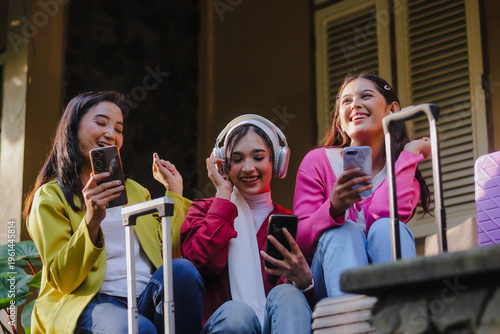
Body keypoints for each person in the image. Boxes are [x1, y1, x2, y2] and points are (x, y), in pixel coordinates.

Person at [23, 91, 204, 334]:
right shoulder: (51, 196)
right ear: (73, 129)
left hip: (145, 298)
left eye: (119, 129)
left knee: (182, 271)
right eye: (101, 123)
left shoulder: (136, 192)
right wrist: (91, 220)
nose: (111, 134)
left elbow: (170, 256)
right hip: (87, 303)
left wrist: (174, 193)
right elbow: (62, 280)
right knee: (138, 329)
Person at [293, 73, 431, 300]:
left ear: (392, 110)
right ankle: (350, 320)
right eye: (346, 101)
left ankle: (400, 316)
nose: (355, 104)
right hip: (327, 284)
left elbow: (384, 215)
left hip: (381, 284)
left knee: (389, 228)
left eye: (365, 96)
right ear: (339, 120)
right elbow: (300, 242)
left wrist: (409, 154)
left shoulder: (403, 170)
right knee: (343, 232)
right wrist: (333, 208)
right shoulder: (317, 162)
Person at [181, 115, 313, 334]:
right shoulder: (204, 210)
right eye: (237, 159)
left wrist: (306, 282)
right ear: (223, 165)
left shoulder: (289, 221)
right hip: (228, 326)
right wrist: (223, 194)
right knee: (237, 314)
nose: (248, 168)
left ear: (277, 162)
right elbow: (204, 264)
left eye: (258, 157)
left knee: (289, 295)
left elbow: (301, 309)